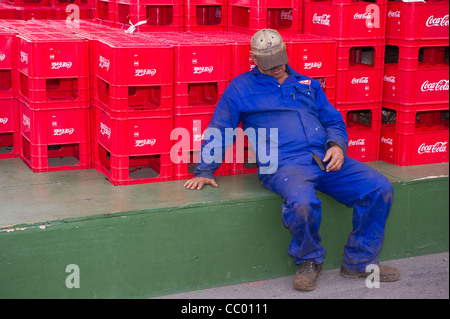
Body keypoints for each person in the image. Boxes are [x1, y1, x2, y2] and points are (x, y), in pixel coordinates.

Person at [183, 29, 399, 291]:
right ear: (252, 58)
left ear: (286, 52)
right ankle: (309, 260)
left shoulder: (308, 84)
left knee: (379, 188)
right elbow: (221, 128)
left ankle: (359, 261)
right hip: (283, 163)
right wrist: (205, 169)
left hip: (325, 157)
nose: (275, 67)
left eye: (279, 59)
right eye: (267, 62)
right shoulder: (240, 89)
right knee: (302, 203)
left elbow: (332, 120)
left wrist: (337, 145)